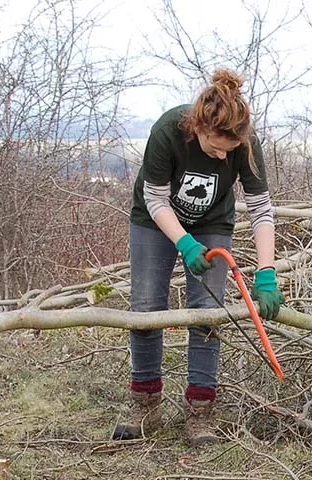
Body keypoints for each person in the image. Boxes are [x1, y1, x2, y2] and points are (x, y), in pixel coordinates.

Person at [113, 69, 284, 446]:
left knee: (207, 310)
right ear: (200, 127)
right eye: (215, 147)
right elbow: (156, 199)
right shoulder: (167, 132)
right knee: (145, 308)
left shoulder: (243, 142)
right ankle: (145, 403)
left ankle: (200, 411)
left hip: (213, 222)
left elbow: (261, 210)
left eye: (229, 150)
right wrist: (185, 244)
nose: (223, 155)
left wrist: (267, 272)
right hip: (153, 220)